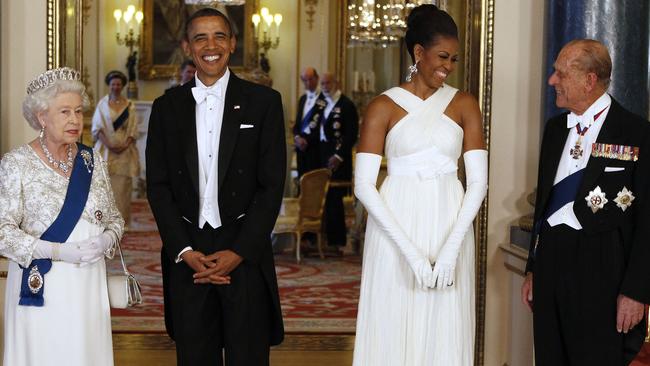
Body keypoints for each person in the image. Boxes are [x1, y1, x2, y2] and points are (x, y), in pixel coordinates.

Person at [146, 8, 286, 366]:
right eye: (200, 38)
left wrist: (239, 251)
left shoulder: (264, 103)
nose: (211, 46)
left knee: (248, 357)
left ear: (232, 43)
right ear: (187, 47)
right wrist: (184, 249)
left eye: (219, 36)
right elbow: (158, 186)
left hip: (244, 251)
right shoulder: (165, 109)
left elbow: (271, 187)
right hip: (188, 256)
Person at [352, 4, 487, 365]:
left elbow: (477, 182)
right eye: (443, 56)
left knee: (445, 323)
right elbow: (364, 186)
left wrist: (450, 249)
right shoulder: (383, 106)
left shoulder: (465, 105)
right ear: (418, 53)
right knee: (393, 318)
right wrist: (411, 253)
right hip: (395, 228)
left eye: (455, 59)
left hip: (449, 225)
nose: (449, 66)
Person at [521, 39, 650, 365]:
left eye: (560, 74)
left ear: (589, 80)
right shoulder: (554, 130)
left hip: (603, 271)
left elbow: (648, 220)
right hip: (551, 266)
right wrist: (533, 268)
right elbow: (544, 207)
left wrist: (636, 291)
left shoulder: (636, 133)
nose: (553, 81)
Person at [0, 67, 124, 365]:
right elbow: (2, 233)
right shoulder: (16, 163)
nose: (74, 120)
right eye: (65, 112)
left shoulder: (91, 159)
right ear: (42, 117)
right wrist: (58, 251)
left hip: (88, 284)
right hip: (43, 284)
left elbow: (115, 219)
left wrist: (106, 239)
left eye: (79, 112)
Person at [91, 70, 140, 229]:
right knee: (105, 187)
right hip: (106, 151)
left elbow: (133, 129)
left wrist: (123, 146)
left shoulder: (129, 106)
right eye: (113, 84)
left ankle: (123, 222)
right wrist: (110, 145)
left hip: (125, 153)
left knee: (123, 188)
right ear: (109, 85)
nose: (116, 87)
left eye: (118, 84)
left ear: (122, 86)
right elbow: (97, 129)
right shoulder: (102, 105)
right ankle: (105, 222)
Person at [318, 72, 359, 251]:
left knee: (335, 201)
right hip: (321, 156)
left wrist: (339, 156)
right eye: (323, 83)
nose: (325, 86)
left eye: (328, 83)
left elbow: (351, 135)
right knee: (322, 200)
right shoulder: (321, 104)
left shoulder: (346, 105)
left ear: (336, 83)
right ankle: (322, 240)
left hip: (338, 159)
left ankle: (337, 242)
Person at [293, 67, 326, 178]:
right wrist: (297, 138)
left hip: (315, 149)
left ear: (317, 79)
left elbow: (323, 126)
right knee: (301, 181)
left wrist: (306, 141)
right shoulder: (302, 99)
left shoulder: (325, 99)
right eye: (304, 80)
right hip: (301, 150)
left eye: (310, 79)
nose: (308, 83)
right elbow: (297, 124)